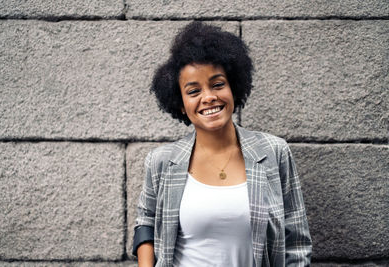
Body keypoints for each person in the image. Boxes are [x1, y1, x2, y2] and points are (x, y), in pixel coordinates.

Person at [133, 21, 312, 267]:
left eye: (218, 84)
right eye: (193, 91)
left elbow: (297, 242)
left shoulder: (273, 152)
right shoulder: (161, 162)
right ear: (180, 103)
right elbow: (146, 222)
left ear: (234, 88)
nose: (208, 97)